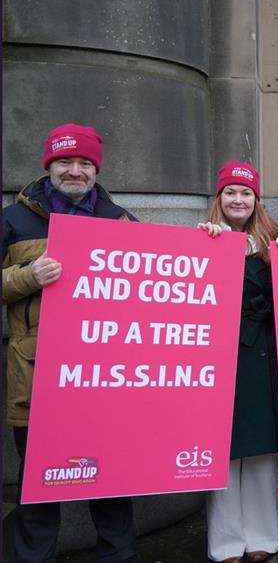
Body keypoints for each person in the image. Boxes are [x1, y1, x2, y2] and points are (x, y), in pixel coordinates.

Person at [3, 123, 140, 563]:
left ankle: (119, 556)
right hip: (37, 374)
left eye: (84, 163)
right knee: (38, 484)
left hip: (105, 376)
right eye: (65, 161)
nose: (75, 171)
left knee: (112, 478)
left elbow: (155, 284)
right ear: (49, 164)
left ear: (96, 169)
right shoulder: (13, 220)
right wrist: (28, 276)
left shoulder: (119, 220)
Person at [198, 161, 278, 563]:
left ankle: (262, 537)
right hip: (219, 356)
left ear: (257, 200)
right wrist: (204, 248)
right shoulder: (201, 239)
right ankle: (225, 542)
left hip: (263, 355)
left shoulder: (276, 241)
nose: (238, 200)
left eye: (246, 193)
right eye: (230, 192)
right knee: (222, 450)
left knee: (260, 452)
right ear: (219, 198)